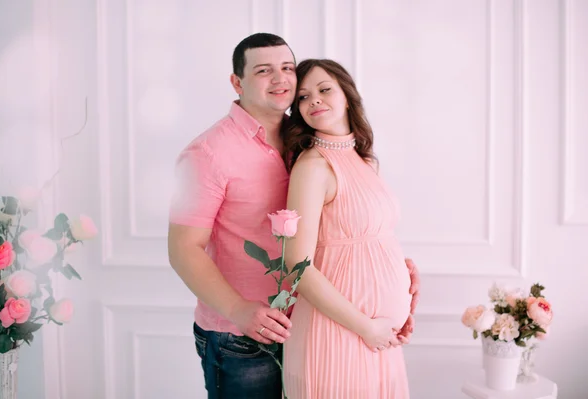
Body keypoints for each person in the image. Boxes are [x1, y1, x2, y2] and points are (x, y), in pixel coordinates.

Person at [168, 32, 420, 398]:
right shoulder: (207, 154)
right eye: (264, 70)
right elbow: (183, 249)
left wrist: (393, 272)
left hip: (309, 321)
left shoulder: (304, 139)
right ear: (237, 82)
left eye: (287, 68)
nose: (281, 78)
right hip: (242, 336)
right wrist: (240, 310)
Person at [282, 59, 416, 398]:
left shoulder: (364, 160)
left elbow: (374, 239)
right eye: (302, 97)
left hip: (378, 336)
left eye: (324, 90)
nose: (313, 101)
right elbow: (297, 266)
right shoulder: (313, 166)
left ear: (347, 96)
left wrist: (404, 278)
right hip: (340, 330)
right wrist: (366, 327)